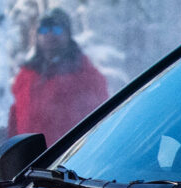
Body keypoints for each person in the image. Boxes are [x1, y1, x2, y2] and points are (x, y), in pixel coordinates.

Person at [6, 9, 109, 146]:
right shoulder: (27, 74)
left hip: (70, 157)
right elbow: (15, 116)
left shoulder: (85, 73)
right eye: (43, 30)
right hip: (31, 160)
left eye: (56, 29)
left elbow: (101, 119)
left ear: (68, 34)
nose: (49, 35)